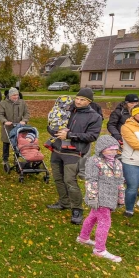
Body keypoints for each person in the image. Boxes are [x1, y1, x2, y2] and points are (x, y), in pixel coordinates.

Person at [46, 88, 102, 225]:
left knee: (70, 180)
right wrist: (54, 130)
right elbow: (51, 125)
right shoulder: (66, 110)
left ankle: (77, 209)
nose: (78, 101)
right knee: (58, 179)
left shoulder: (94, 117)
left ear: (89, 101)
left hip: (74, 152)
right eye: (77, 98)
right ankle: (63, 202)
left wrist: (69, 135)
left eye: (82, 100)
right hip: (57, 149)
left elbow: (92, 136)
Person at [77, 135, 124, 263]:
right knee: (105, 221)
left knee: (93, 216)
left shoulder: (118, 163)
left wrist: (120, 198)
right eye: (110, 149)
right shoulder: (94, 161)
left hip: (111, 197)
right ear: (101, 149)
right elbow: (91, 180)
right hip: (99, 197)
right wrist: (93, 198)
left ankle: (83, 237)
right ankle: (99, 250)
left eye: (116, 150)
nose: (113, 152)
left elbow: (120, 181)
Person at [120, 105, 139, 218]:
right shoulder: (127, 127)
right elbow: (135, 144)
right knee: (132, 187)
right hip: (132, 161)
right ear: (134, 114)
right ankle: (129, 209)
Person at [0, 87, 29, 168]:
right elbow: (0, 114)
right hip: (7, 127)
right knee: (6, 142)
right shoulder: (3, 103)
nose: (16, 97)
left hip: (19, 126)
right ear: (10, 95)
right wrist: (5, 121)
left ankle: (16, 158)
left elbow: (27, 113)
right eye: (14, 95)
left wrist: (24, 120)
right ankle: (5, 159)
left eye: (17, 95)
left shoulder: (22, 103)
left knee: (18, 142)